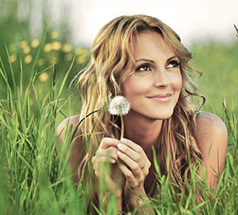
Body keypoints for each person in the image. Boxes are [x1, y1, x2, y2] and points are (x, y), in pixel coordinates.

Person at [56, 14, 228, 214]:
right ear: (111, 80)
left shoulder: (205, 133)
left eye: (172, 64)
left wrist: (137, 196)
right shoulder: (76, 137)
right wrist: (111, 197)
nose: (165, 81)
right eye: (144, 68)